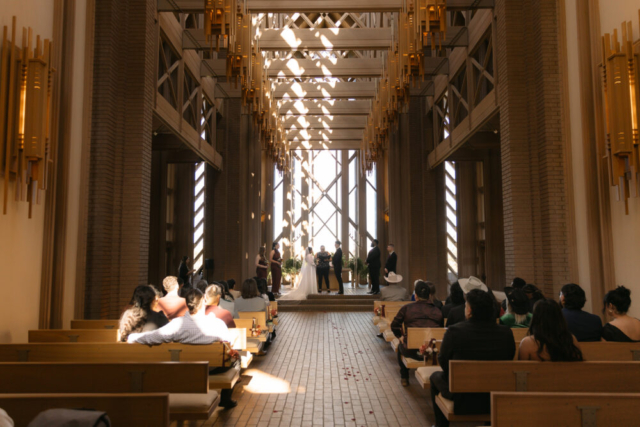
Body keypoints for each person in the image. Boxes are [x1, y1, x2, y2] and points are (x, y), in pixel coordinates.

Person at [127, 288, 237, 409]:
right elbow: (229, 346)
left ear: (187, 304)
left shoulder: (177, 324)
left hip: (186, 366)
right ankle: (226, 399)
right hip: (212, 368)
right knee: (237, 360)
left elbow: (153, 337)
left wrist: (132, 337)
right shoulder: (217, 324)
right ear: (203, 301)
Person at [430, 289, 516, 427]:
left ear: (469, 310)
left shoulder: (454, 331)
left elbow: (443, 360)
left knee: (435, 377)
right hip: (494, 397)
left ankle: (441, 425)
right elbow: (509, 357)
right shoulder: (506, 332)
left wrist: (454, 376)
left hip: (463, 399)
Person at [391, 281, 443, 386]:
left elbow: (394, 325)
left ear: (416, 296)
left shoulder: (407, 308)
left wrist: (400, 336)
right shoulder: (437, 311)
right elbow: (440, 330)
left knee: (400, 346)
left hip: (410, 350)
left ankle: (404, 377)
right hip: (430, 350)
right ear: (429, 296)